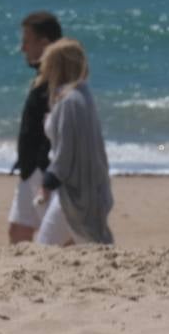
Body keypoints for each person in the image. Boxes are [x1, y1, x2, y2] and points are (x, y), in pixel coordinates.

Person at [32, 39, 114, 246]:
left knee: (56, 244)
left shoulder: (70, 102)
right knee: (85, 241)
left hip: (76, 190)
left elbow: (66, 151)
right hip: (82, 187)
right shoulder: (82, 96)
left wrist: (48, 182)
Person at [8, 11, 62, 244]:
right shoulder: (43, 75)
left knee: (59, 239)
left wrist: (44, 166)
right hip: (29, 168)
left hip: (43, 168)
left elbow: (58, 127)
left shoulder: (57, 78)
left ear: (45, 43)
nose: (22, 48)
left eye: (27, 41)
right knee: (19, 230)